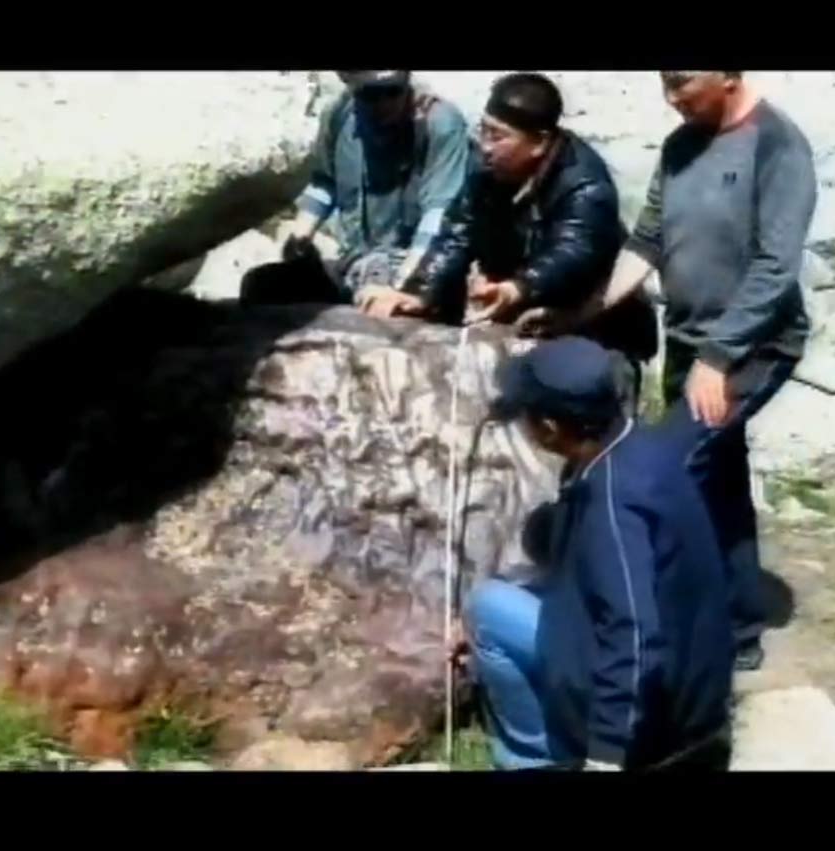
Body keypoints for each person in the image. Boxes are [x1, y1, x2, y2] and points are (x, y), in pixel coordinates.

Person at [552, 72, 817, 671]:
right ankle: (737, 627)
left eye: (684, 82)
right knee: (718, 478)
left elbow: (776, 268)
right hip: (687, 341)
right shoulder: (681, 145)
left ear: (729, 76)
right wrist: (584, 312)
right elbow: (647, 241)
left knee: (670, 470)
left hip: (751, 347)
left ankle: (662, 627)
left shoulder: (778, 146)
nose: (673, 98)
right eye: (665, 83)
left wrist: (718, 358)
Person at [453, 336, 734, 771]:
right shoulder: (637, 445)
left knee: (488, 607)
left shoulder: (611, 505)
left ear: (550, 428)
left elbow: (634, 636)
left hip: (660, 721)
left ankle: (535, 757)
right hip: (695, 687)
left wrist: (605, 755)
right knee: (519, 584)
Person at [368, 72, 658, 406]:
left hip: (596, 324)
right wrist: (420, 291)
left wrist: (518, 287)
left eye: (498, 136)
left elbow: (572, 251)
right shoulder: (488, 171)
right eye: (484, 130)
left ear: (539, 143)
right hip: (529, 317)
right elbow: (458, 232)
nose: (485, 146)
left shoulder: (585, 185)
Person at [239, 71, 470, 315]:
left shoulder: (440, 124)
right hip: (354, 262)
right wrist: (301, 235)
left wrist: (409, 287)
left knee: (378, 297)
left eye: (393, 92)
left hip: (416, 265)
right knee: (259, 286)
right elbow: (325, 182)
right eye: (371, 94)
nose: (384, 103)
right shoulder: (339, 115)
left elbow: (440, 215)